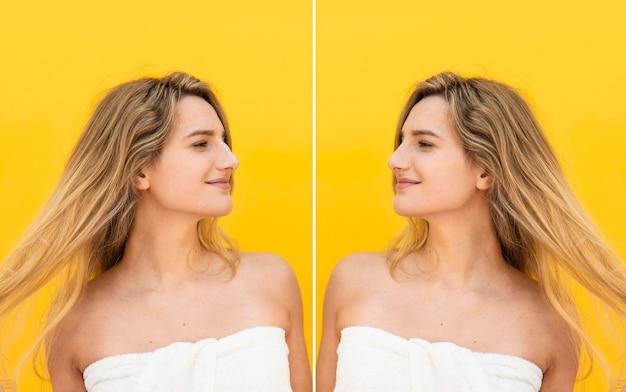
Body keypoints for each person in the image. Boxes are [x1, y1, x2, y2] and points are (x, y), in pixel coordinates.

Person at [0, 71, 311, 391]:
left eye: (225, 143)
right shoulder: (77, 322)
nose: (231, 160)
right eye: (201, 143)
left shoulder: (270, 281)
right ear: (139, 171)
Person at [317, 71, 626, 392]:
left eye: (424, 143)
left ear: (486, 171)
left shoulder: (548, 323)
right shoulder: (355, 281)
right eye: (401, 142)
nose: (394, 159)